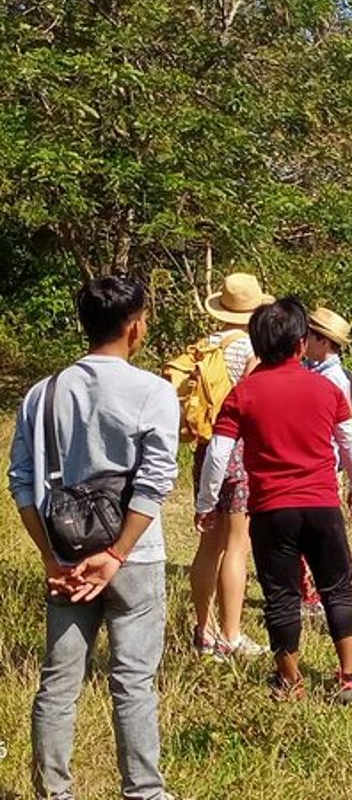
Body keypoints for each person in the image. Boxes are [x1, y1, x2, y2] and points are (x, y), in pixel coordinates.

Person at [8, 277, 180, 800]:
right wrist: (117, 553)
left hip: (64, 555)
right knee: (132, 680)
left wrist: (49, 556)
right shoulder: (153, 391)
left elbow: (21, 481)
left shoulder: (43, 392)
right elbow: (154, 482)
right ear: (135, 327)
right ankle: (143, 791)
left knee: (58, 681)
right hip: (134, 556)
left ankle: (53, 792)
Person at [196, 297, 352, 703]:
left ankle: (290, 681)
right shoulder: (326, 388)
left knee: (280, 595)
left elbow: (218, 453)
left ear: (257, 345)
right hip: (321, 504)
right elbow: (348, 442)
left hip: (270, 510)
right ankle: (350, 676)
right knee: (338, 587)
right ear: (301, 343)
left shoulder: (242, 394)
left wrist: (206, 502)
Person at [189, 272, 272, 659]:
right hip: (238, 452)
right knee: (237, 545)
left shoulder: (203, 347)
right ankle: (231, 634)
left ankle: (202, 630)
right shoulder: (252, 350)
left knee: (208, 543)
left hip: (205, 449)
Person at [300, 306, 352, 619]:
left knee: (317, 533)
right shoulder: (315, 370)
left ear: (323, 342)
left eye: (309, 335)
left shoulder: (334, 378)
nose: (303, 340)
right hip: (321, 460)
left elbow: (342, 428)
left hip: (325, 463)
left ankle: (314, 595)